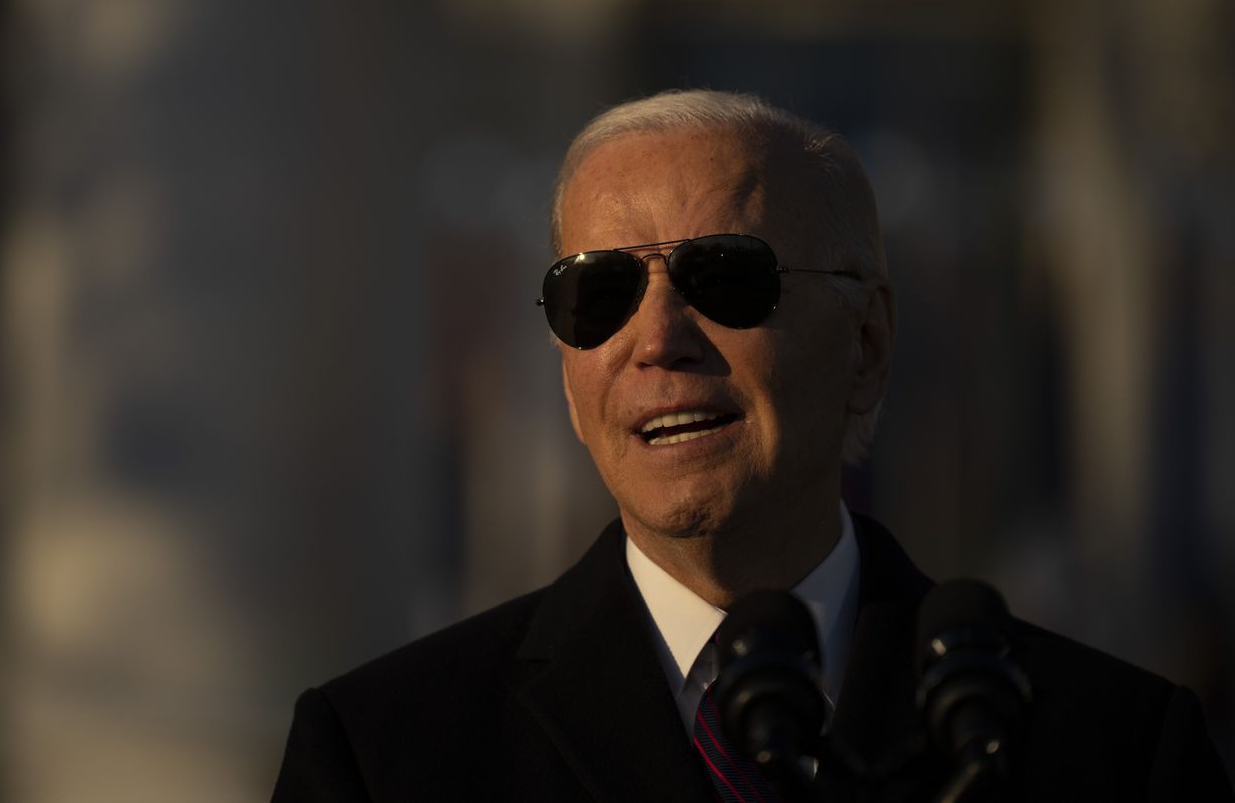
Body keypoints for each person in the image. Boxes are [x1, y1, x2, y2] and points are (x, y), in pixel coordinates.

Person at [271, 90, 1232, 801]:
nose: (656, 340)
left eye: (726, 278)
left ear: (868, 343)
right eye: (597, 295)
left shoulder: (1114, 752)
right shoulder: (385, 757)